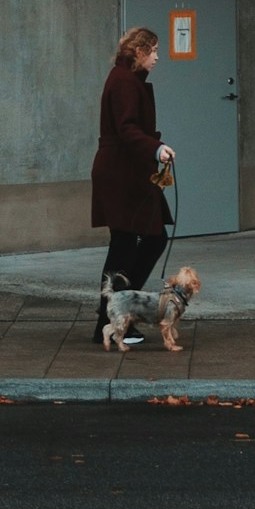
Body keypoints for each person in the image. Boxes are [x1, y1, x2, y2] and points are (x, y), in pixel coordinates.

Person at [91, 23, 169, 347]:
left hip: (127, 173)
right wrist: (155, 148)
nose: (157, 58)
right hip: (123, 174)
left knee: (137, 242)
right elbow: (126, 129)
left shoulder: (126, 78)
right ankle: (112, 320)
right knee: (131, 244)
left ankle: (114, 317)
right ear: (139, 52)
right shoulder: (124, 82)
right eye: (153, 51)